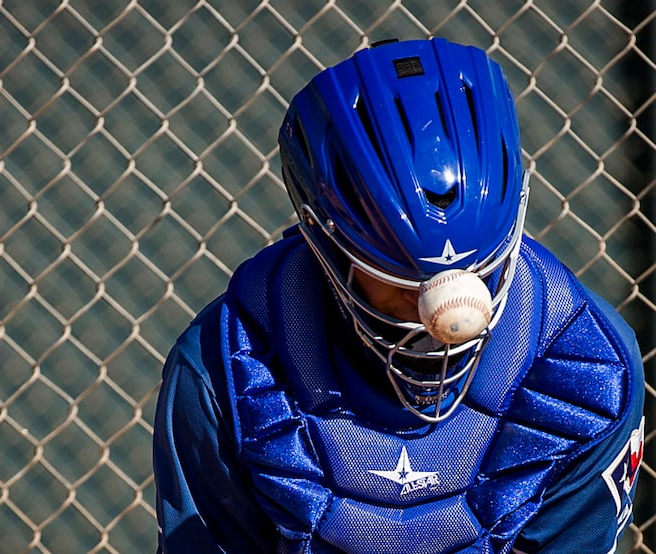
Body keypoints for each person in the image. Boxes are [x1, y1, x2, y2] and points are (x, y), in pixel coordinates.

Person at [152, 37, 645, 554]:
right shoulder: (226, 367)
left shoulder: (584, 368)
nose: (440, 311)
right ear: (329, 243)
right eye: (400, 278)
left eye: (483, 267)